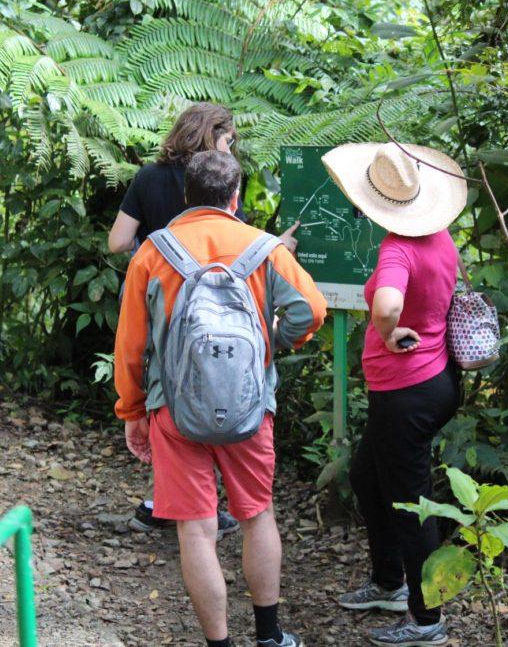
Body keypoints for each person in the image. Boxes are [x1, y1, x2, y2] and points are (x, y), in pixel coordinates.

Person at [113, 150, 327, 647]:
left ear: (187, 196)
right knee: (256, 514)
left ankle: (219, 644)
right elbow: (310, 312)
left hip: (173, 408)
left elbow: (130, 344)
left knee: (195, 527)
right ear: (235, 197)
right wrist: (271, 343)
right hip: (250, 408)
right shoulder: (264, 247)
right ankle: (270, 635)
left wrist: (131, 409)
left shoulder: (154, 252)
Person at [108, 102, 299, 536]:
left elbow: (118, 241)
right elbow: (237, 248)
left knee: (166, 398)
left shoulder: (149, 177)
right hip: (222, 320)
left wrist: (154, 251)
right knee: (217, 386)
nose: (232, 149)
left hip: (160, 307)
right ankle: (212, 504)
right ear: (215, 137)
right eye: (229, 140)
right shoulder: (220, 179)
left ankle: (171, 500)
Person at [322, 142, 468, 646]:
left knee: (411, 502)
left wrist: (386, 333)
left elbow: (387, 304)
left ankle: (427, 619)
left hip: (408, 389)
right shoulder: (438, 235)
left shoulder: (396, 249)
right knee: (367, 475)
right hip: (431, 382)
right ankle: (389, 581)